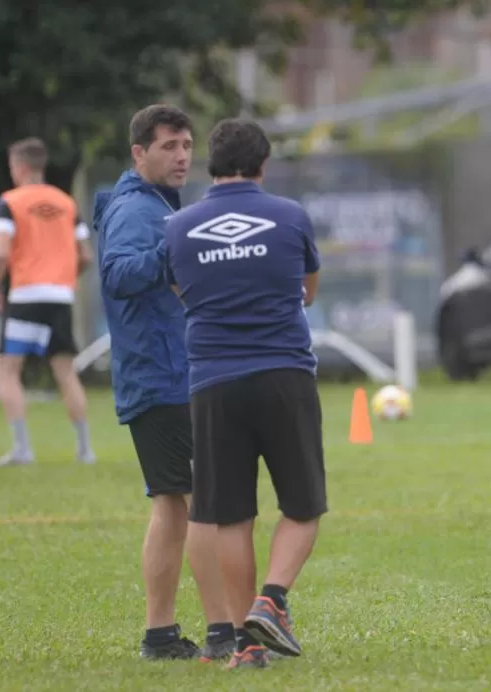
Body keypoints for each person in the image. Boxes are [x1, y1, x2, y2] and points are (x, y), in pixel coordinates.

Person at [164, 118, 327, 670]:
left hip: (212, 383)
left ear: (211, 163)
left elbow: (179, 291)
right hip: (284, 374)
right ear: (263, 164)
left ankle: (248, 645)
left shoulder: (179, 226)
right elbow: (308, 289)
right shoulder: (290, 216)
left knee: (231, 516)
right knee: (303, 507)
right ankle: (272, 600)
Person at [93, 104, 233, 661]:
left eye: (186, 145)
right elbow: (118, 273)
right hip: (162, 378)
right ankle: (225, 632)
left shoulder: (154, 204)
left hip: (162, 377)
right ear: (139, 153)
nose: (181, 156)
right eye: (169, 146)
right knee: (205, 504)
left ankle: (160, 635)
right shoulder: (135, 208)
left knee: (173, 508)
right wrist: (175, 249)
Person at [0, 137, 96, 467]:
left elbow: (2, 252)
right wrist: (63, 276)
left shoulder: (9, 201)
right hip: (60, 296)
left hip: (27, 295)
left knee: (8, 370)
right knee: (65, 371)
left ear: (19, 167)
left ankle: (22, 448)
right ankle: (85, 450)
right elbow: (85, 255)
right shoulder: (66, 202)